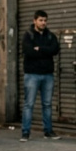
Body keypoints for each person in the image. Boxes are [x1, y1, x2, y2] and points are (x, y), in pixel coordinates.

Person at [21, 10, 61, 142]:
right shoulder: (28, 35)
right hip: (32, 74)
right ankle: (25, 132)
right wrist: (45, 51)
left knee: (47, 104)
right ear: (35, 21)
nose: (43, 23)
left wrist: (40, 49)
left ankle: (48, 131)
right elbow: (28, 51)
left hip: (47, 75)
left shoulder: (50, 36)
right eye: (41, 20)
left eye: (45, 20)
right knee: (29, 104)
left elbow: (55, 49)